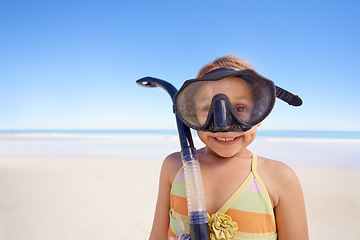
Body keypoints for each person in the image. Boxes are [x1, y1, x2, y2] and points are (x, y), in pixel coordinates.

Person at [149, 54, 309, 240]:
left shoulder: (280, 178)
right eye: (209, 109)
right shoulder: (175, 166)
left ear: (261, 113)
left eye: (240, 108)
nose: (223, 124)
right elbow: (157, 235)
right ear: (191, 115)